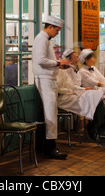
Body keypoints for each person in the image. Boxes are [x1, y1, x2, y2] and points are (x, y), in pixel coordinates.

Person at [57, 49, 105, 146]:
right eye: (75, 57)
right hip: (66, 98)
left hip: (75, 93)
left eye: (77, 56)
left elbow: (75, 85)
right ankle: (99, 129)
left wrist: (83, 89)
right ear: (68, 60)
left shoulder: (73, 70)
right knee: (94, 96)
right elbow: (65, 88)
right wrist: (82, 90)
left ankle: (102, 127)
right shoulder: (62, 71)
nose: (78, 59)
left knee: (96, 95)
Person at [32, 15, 71, 160]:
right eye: (57, 30)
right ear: (50, 27)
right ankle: (50, 148)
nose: (57, 33)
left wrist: (59, 64)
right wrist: (57, 62)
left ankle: (49, 145)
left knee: (51, 112)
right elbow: (40, 60)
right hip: (45, 79)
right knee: (50, 113)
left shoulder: (46, 40)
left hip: (49, 78)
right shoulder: (41, 38)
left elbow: (47, 60)